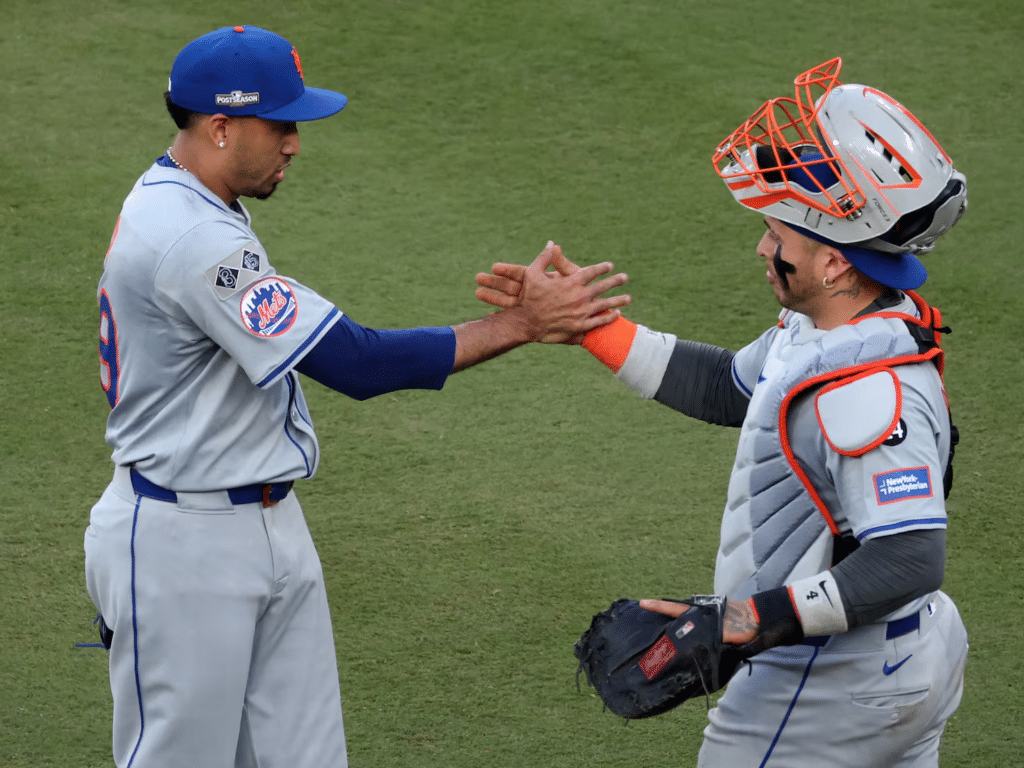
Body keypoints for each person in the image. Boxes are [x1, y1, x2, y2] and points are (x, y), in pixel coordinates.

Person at [86, 24, 631, 768]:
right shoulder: (190, 239)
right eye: (280, 123)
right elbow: (358, 363)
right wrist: (523, 323)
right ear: (219, 126)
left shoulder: (197, 205)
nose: (295, 143)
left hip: (268, 521)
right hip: (183, 544)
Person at [476, 58, 969, 767]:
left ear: (833, 263)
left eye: (781, 234)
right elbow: (728, 388)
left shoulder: (864, 387)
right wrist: (588, 326)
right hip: (901, 661)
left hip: (825, 683)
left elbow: (909, 556)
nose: (764, 247)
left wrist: (739, 622)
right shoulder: (838, 328)